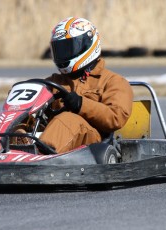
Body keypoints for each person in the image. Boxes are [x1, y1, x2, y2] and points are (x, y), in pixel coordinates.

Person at [38, 16, 133, 153]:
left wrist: (81, 104)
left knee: (68, 119)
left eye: (68, 48)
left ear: (88, 44)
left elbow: (116, 117)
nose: (64, 54)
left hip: (93, 142)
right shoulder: (54, 82)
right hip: (57, 137)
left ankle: (42, 157)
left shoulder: (113, 81)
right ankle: (4, 153)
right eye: (60, 50)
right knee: (20, 126)